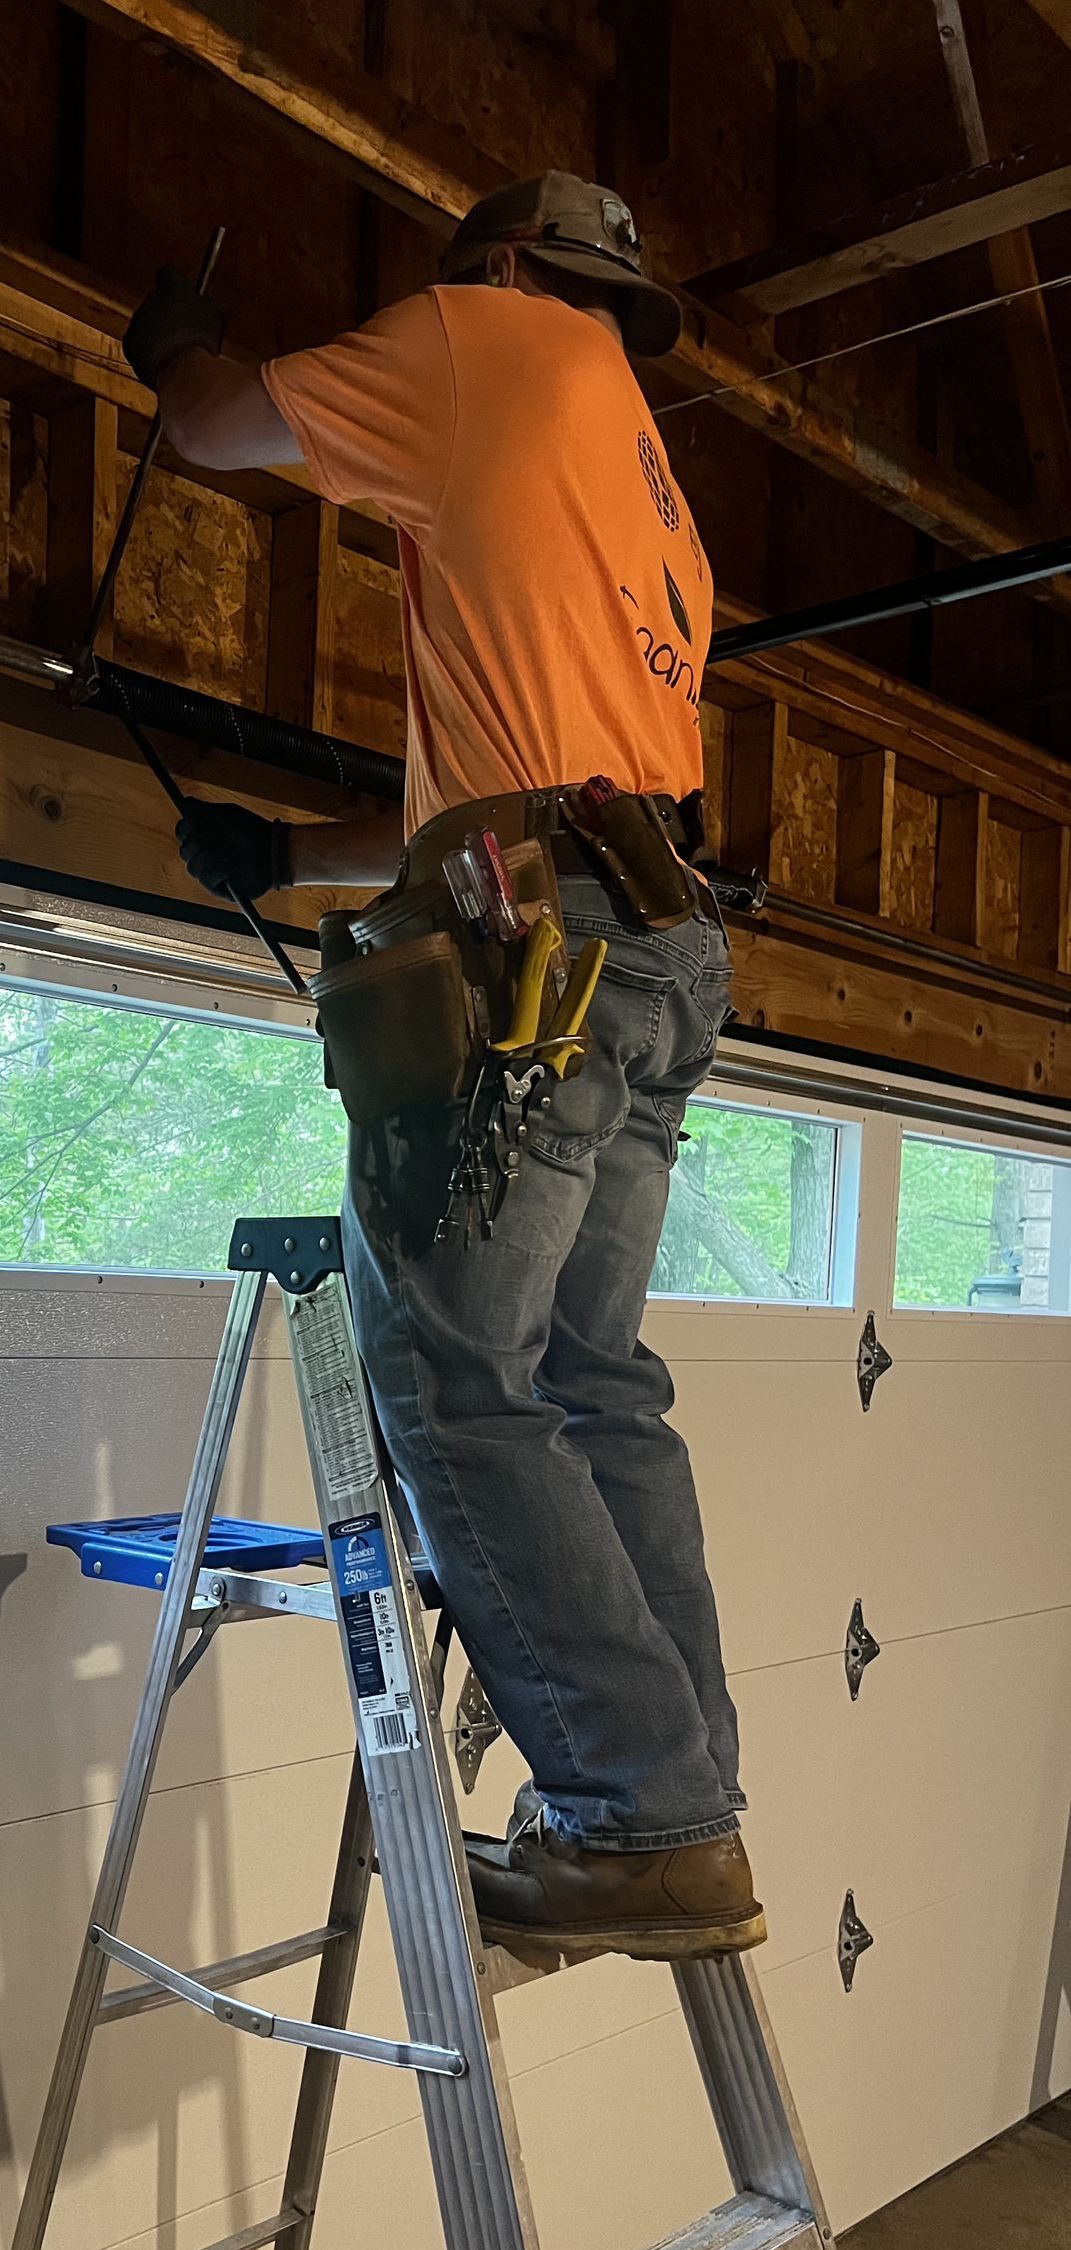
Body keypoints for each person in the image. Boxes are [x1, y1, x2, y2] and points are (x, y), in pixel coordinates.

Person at [122, 171, 764, 1965]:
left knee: (444, 1364)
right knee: (590, 1375)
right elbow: (529, 791)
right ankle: (684, 1801)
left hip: (544, 952)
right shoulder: (647, 483)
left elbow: (217, 429)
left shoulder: (483, 338)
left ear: (493, 265)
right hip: (650, 943)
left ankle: (636, 1817)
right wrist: (294, 851)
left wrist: (179, 346)